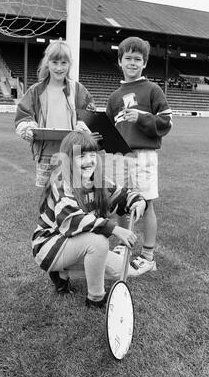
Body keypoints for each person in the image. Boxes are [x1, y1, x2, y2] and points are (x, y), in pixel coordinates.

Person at [32, 131, 151, 308]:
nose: (89, 161)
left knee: (124, 270)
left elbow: (122, 195)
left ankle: (62, 274)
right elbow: (74, 220)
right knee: (98, 241)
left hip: (74, 243)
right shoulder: (61, 182)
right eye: (82, 156)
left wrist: (138, 201)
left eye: (92, 154)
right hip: (50, 245)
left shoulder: (97, 180)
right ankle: (96, 298)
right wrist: (115, 229)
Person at [106, 36, 173, 271]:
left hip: (144, 155)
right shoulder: (114, 98)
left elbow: (167, 122)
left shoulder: (152, 90)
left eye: (137, 59)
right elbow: (109, 131)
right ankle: (124, 244)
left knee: (146, 205)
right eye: (128, 58)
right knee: (120, 204)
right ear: (120, 61)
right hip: (120, 158)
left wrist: (143, 118)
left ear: (144, 63)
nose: (132, 63)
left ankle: (148, 256)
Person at [14, 38, 96, 187]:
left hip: (73, 151)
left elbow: (89, 113)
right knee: (48, 196)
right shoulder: (36, 90)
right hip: (46, 152)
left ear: (69, 64)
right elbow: (23, 115)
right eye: (55, 62)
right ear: (47, 63)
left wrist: (82, 126)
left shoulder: (78, 90)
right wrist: (27, 129)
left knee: (74, 193)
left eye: (63, 63)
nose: (59, 68)